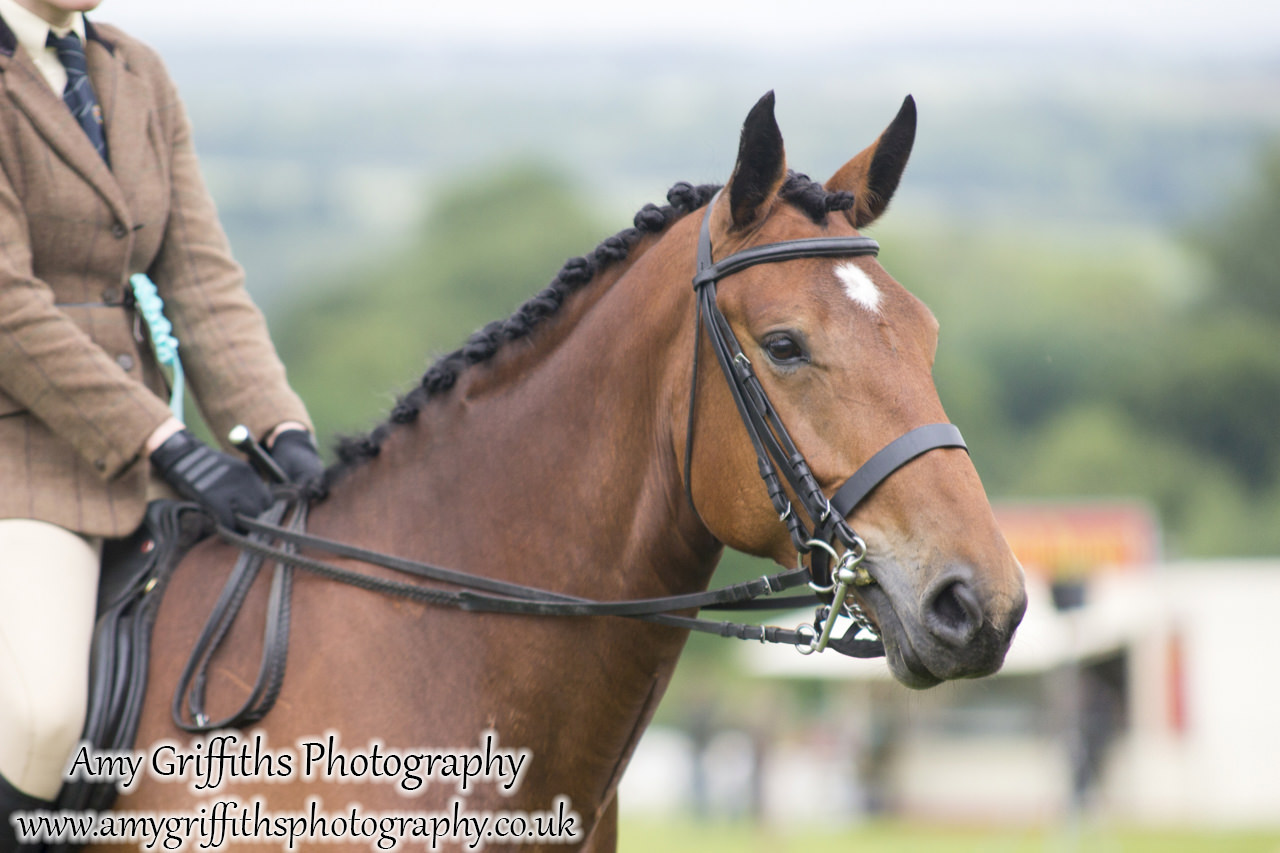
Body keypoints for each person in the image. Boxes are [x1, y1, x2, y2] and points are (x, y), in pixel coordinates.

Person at [0, 0, 325, 845]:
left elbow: (202, 277)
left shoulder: (135, 72)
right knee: (43, 714)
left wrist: (277, 431)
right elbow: (7, 310)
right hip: (20, 458)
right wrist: (167, 442)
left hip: (142, 450)